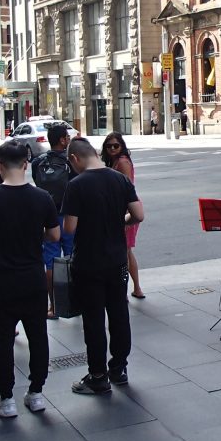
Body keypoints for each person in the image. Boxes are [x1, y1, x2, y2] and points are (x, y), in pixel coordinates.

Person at [0, 141, 60, 418]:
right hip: (32, 279)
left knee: (2, 340)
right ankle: (36, 393)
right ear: (26, 164)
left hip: (0, 282)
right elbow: (55, 235)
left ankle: (6, 398)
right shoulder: (42, 197)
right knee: (38, 337)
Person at [62, 137, 143, 395]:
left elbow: (70, 228)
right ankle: (119, 368)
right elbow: (138, 214)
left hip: (89, 261)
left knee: (94, 319)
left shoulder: (76, 185)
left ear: (75, 158)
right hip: (118, 258)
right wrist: (121, 222)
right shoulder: (119, 179)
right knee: (119, 313)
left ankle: (98, 375)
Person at [31, 123, 76, 318]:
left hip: (48, 217)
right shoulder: (71, 162)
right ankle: (74, 302)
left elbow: (38, 184)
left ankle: (53, 306)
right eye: (67, 136)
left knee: (50, 262)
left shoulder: (38, 162)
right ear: (62, 140)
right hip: (68, 216)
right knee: (72, 259)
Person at [102, 133, 144, 299]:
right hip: (123, 208)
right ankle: (135, 289)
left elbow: (127, 188)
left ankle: (129, 290)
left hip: (126, 208)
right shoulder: (115, 162)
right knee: (125, 251)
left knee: (124, 251)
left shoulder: (123, 162)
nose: (112, 149)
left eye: (116, 146)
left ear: (122, 146)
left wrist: (125, 212)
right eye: (109, 146)